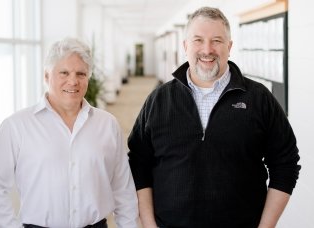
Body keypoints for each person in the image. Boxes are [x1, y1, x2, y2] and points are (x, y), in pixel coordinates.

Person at [128, 6, 300, 228]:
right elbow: (138, 163)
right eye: (198, 40)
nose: (207, 50)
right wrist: (149, 225)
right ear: (186, 46)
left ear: (229, 47)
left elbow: (286, 163)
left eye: (217, 40)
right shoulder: (159, 99)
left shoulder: (258, 99)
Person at [0, 38, 138, 228]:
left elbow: (123, 187)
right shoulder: (16, 126)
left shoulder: (108, 124)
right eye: (64, 72)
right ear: (47, 76)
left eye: (81, 74)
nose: (73, 81)